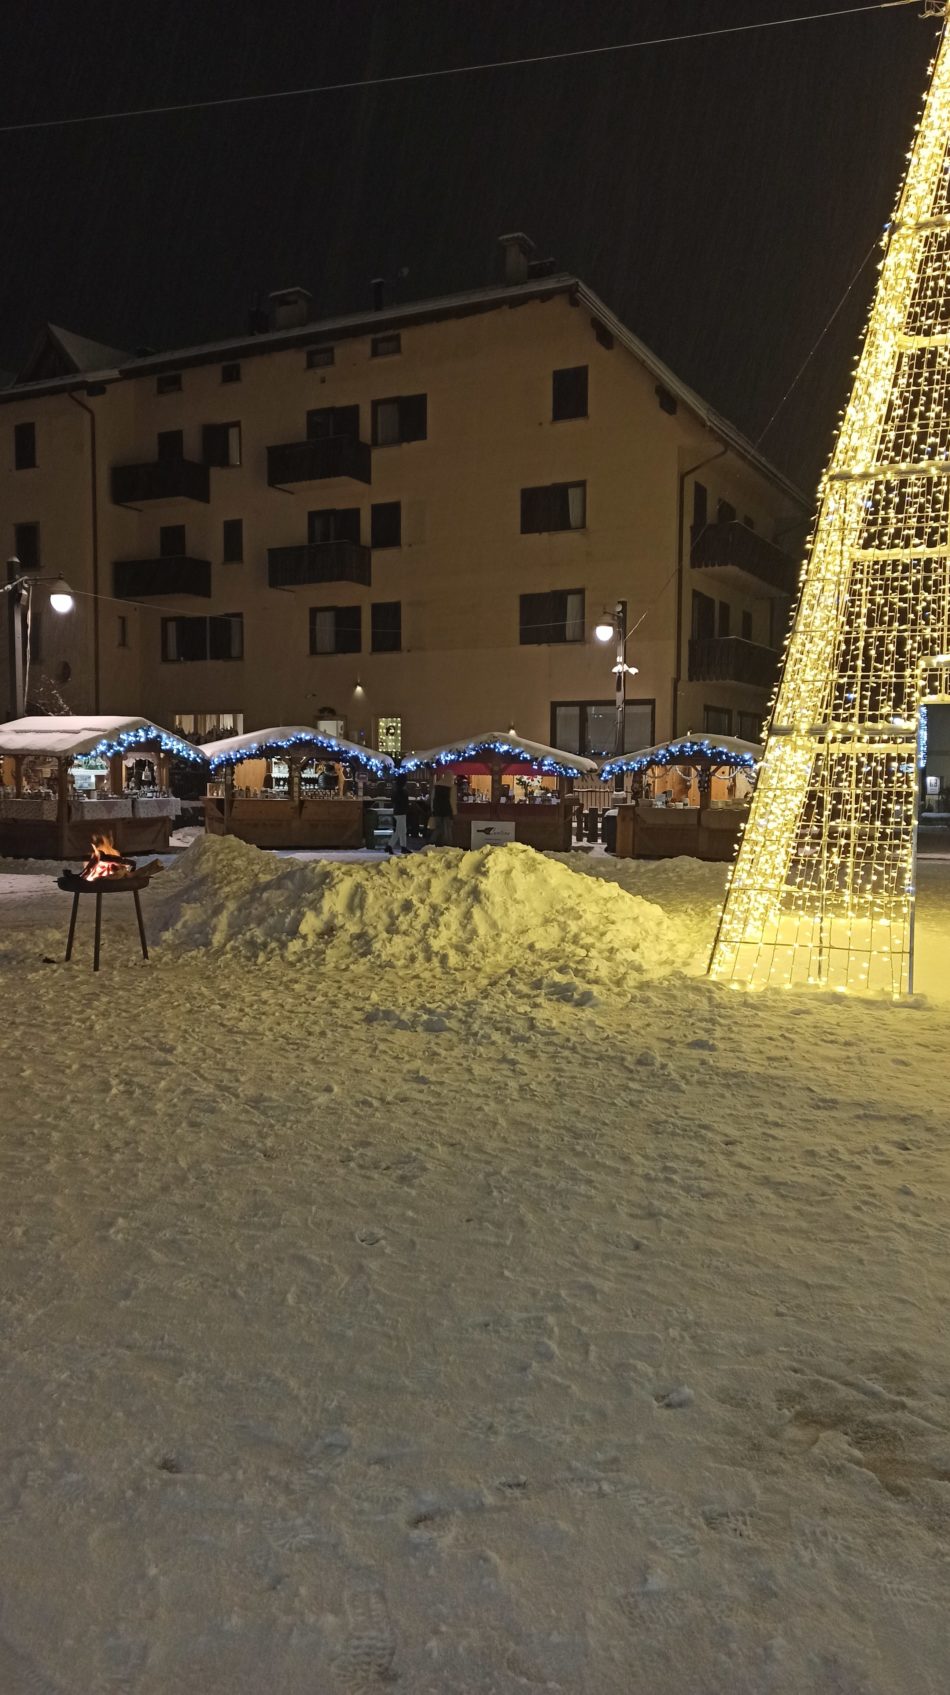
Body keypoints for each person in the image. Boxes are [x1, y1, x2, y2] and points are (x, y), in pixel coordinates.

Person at [430, 773, 456, 846]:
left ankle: (431, 842)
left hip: (437, 810)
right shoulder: (451, 787)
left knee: (438, 828)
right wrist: (454, 812)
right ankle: (448, 844)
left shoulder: (436, 785)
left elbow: (432, 798)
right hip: (447, 810)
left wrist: (432, 810)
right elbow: (452, 801)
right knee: (448, 829)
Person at [387, 768, 409, 854]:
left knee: (399, 831)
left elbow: (393, 800)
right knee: (402, 831)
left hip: (397, 811)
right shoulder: (402, 791)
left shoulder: (396, 791)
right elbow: (404, 802)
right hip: (401, 812)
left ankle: (389, 846)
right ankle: (403, 847)